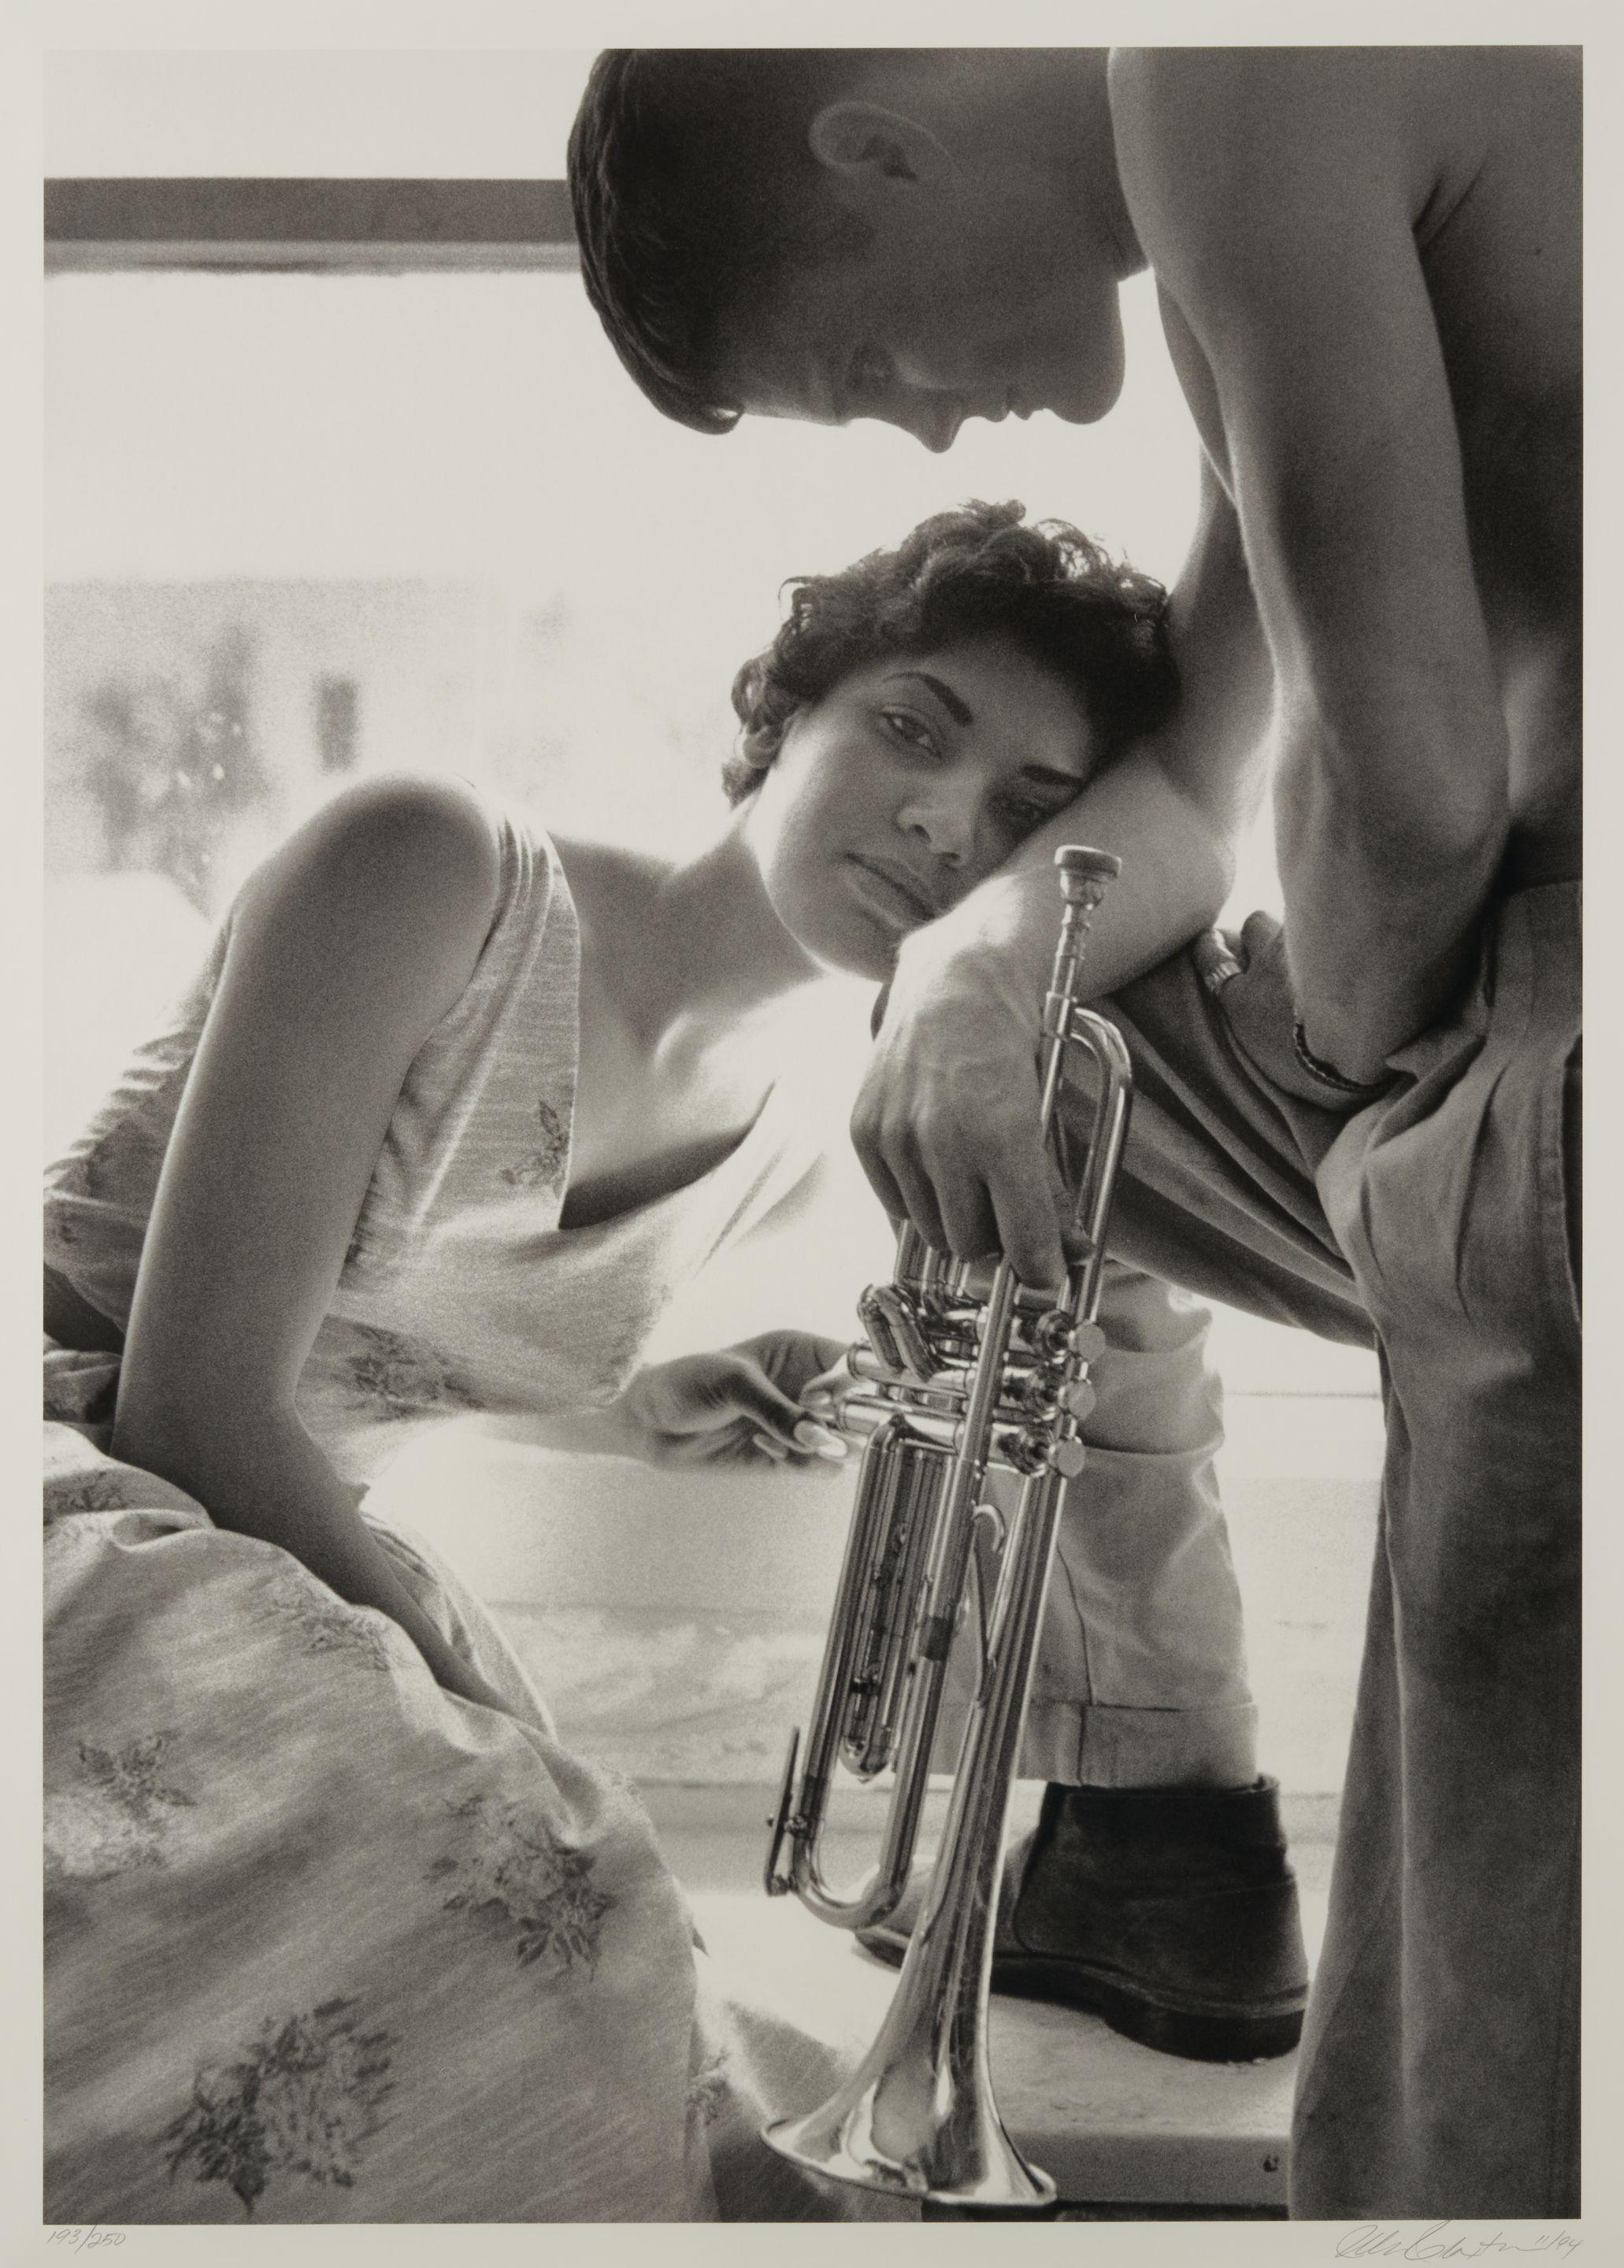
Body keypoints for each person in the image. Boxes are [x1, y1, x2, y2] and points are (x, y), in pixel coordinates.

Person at [567, 46, 1581, 2220]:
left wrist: (1375, 1053)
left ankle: (1157, 1816)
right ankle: (1156, 1816)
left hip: (1554, 1065)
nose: (933, 426)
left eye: (870, 362)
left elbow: (1403, 793)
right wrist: (962, 969)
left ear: (879, 143)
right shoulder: (1244, 202)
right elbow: (1202, 793)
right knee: (1016, 1064)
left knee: (1478, 2132)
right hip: (1504, 1049)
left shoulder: (1224, 65)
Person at [43, 501, 1256, 2222]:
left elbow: (378, 1333)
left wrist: (623, 1400)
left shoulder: (779, 1134)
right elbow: (195, 1398)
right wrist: (467, 1697)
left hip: (238, 1564)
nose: (939, 817)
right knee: (525, 1895)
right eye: (911, 727)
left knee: (587, 1994)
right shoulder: (427, 862)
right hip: (79, 1504)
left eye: (1021, 816)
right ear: (786, 718)